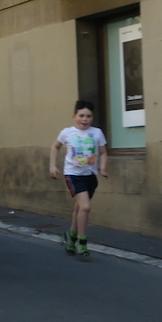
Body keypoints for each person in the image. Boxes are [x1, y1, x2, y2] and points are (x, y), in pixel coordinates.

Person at [49, 100, 108, 260]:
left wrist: (102, 167)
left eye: (88, 116)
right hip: (73, 175)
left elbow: (103, 152)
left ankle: (71, 235)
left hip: (90, 176)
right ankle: (82, 242)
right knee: (85, 207)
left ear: (92, 118)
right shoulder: (67, 132)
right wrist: (52, 166)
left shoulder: (97, 133)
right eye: (81, 115)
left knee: (79, 209)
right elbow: (55, 147)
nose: (85, 119)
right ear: (74, 117)